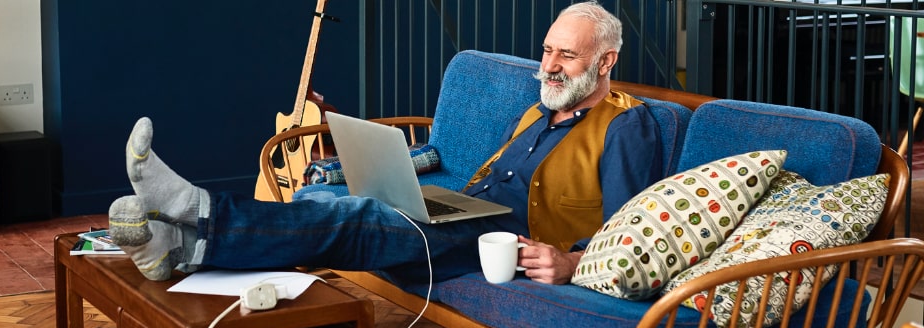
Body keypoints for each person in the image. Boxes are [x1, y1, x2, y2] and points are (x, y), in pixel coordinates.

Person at [111, 1, 662, 285]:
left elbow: (629, 226)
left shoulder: (626, 126)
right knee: (327, 200)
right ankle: (177, 248)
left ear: (605, 61)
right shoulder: (539, 110)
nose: (549, 65)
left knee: (358, 217)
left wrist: (571, 262)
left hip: (509, 242)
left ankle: (194, 210)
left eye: (566, 55)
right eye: (546, 50)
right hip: (465, 215)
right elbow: (482, 175)